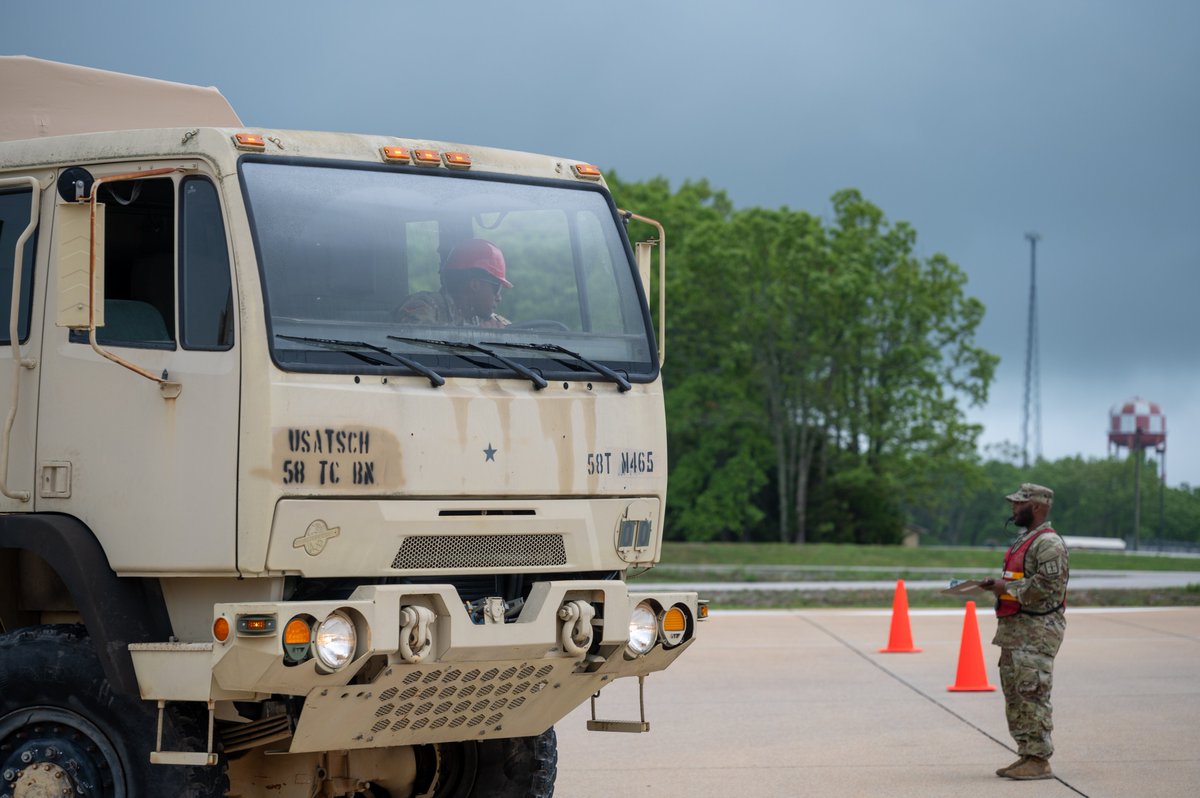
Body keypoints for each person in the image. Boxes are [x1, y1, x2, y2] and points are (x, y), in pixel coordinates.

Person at [980, 482, 1069, 781]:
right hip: (1016, 630)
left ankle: (1040, 759)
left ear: (1038, 507)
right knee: (1016, 694)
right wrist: (996, 587)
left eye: (1019, 503)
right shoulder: (1026, 540)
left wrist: (1005, 587)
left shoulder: (1049, 544)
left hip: (1037, 631)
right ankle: (1027, 754)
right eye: (1014, 503)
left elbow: (1048, 587)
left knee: (1033, 692)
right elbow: (1022, 581)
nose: (1013, 508)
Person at [394, 239, 512, 328]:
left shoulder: (488, 320)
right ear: (475, 285)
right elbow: (419, 346)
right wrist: (478, 337)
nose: (499, 298)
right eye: (497, 288)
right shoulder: (423, 306)